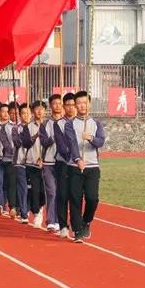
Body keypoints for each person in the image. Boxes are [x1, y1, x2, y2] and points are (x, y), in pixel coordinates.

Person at [65, 91, 106, 243]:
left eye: (84, 103)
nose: (82, 106)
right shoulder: (70, 124)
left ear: (89, 104)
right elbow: (71, 143)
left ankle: (87, 221)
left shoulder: (96, 124)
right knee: (75, 198)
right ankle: (77, 230)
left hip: (92, 166)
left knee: (92, 198)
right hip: (74, 167)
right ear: (75, 105)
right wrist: (77, 159)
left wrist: (90, 138)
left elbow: (101, 141)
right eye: (79, 103)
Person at [40, 95, 65, 233]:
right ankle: (50, 220)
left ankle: (59, 220)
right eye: (54, 103)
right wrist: (54, 138)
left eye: (59, 103)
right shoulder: (45, 124)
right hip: (49, 162)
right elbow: (43, 141)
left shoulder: (66, 123)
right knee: (52, 192)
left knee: (61, 193)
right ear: (50, 106)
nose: (57, 106)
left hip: (62, 162)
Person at [54, 93, 76, 238]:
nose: (70, 108)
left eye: (72, 105)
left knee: (75, 195)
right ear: (64, 106)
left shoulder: (82, 122)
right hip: (63, 162)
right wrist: (74, 155)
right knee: (62, 195)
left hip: (76, 165)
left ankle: (76, 225)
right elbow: (61, 146)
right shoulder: (59, 124)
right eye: (67, 105)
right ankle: (62, 225)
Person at [25, 100, 47, 229]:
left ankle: (41, 208)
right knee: (34, 190)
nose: (39, 111)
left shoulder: (49, 125)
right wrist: (34, 136)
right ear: (33, 111)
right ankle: (37, 212)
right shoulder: (28, 126)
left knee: (44, 192)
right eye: (37, 109)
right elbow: (25, 143)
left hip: (46, 164)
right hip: (32, 163)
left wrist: (43, 158)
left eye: (42, 109)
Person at [12, 103, 32, 224]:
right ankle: (24, 213)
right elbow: (19, 143)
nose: (26, 115)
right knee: (23, 187)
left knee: (33, 188)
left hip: (33, 162)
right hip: (19, 162)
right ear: (19, 115)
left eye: (28, 113)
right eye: (23, 113)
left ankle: (29, 207)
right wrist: (26, 132)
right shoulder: (16, 128)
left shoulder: (36, 127)